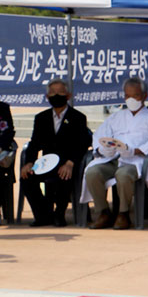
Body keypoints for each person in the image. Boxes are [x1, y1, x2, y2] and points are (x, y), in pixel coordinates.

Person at [81, 78, 148, 229]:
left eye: (136, 96)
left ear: (144, 95)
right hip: (113, 158)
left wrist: (136, 150)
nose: (131, 99)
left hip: (136, 161)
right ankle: (103, 212)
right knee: (92, 172)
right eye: (128, 96)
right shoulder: (116, 117)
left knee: (123, 174)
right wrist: (103, 148)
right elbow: (99, 137)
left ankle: (123, 213)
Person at [20, 80, 91, 227]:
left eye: (60, 93)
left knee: (63, 175)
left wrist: (70, 162)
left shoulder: (78, 117)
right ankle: (43, 215)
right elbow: (34, 143)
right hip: (46, 163)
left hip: (68, 163)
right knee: (26, 178)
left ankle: (59, 214)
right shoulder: (41, 118)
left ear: (68, 95)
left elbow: (82, 144)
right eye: (53, 93)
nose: (56, 96)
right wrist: (29, 162)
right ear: (47, 97)